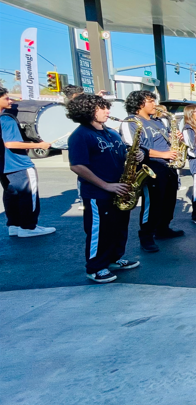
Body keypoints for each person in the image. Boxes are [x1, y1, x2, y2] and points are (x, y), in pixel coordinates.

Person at [66, 94, 140, 282]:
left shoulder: (111, 132)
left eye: (107, 107)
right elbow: (77, 166)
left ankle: (115, 259)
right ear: (87, 110)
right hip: (98, 193)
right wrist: (106, 185)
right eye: (102, 107)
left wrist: (137, 156)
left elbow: (122, 156)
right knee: (99, 231)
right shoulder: (80, 135)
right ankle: (95, 268)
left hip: (120, 189)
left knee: (119, 227)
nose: (108, 111)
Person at [120, 90, 183, 252]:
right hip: (150, 168)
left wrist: (175, 138)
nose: (154, 104)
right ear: (139, 104)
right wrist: (164, 154)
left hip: (168, 166)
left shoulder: (157, 121)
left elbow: (163, 140)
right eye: (150, 101)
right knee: (152, 204)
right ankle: (146, 235)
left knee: (169, 201)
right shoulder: (131, 122)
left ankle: (163, 228)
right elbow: (133, 147)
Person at [0, 88, 55, 237]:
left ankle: (14, 225)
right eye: (6, 98)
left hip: (4, 165)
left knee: (11, 194)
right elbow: (11, 144)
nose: (10, 101)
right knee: (28, 194)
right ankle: (28, 227)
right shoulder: (6, 119)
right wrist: (39, 145)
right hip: (19, 163)